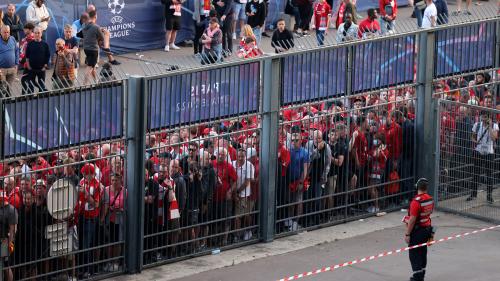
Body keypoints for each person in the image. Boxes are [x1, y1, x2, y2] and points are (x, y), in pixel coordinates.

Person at [404, 178, 434, 281]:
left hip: (418, 231)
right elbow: (429, 214)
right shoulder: (430, 199)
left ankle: (417, 276)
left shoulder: (416, 202)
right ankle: (422, 273)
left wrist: (407, 234)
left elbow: (412, 220)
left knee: (414, 253)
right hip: (427, 229)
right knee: (423, 251)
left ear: (417, 187)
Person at [468, 112, 499, 203]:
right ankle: (473, 194)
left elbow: (494, 138)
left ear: (489, 118)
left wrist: (489, 127)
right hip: (478, 151)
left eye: (486, 117)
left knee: (489, 175)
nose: (484, 119)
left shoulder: (494, 126)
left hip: (489, 153)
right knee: (475, 174)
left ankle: (489, 196)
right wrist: (475, 141)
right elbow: (472, 136)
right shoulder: (477, 125)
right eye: (483, 117)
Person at [78, 10, 104, 84]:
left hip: (86, 49)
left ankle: (96, 81)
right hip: (93, 50)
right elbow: (102, 38)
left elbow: (84, 35)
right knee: (89, 67)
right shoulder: (96, 27)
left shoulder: (85, 27)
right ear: (95, 16)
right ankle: (84, 84)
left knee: (93, 66)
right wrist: (102, 32)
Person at [23, 26, 50, 94]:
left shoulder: (45, 44)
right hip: (31, 70)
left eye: (38, 33)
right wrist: (29, 67)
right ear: (33, 33)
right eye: (35, 33)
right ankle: (30, 100)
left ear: (41, 33)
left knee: (42, 88)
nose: (37, 34)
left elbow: (48, 56)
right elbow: (27, 57)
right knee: (30, 88)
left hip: (41, 70)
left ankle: (41, 100)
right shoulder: (30, 44)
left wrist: (45, 66)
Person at [0, 181, 18, 281]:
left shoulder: (11, 210)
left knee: (5, 265)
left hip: (4, 241)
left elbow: (13, 229)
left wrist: (9, 243)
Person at [0, 25, 19, 97]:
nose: (6, 34)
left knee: (9, 90)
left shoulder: (13, 39)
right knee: (2, 90)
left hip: (12, 69)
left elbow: (17, 51)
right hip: (2, 70)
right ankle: (1, 106)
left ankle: (7, 106)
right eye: (4, 32)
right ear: (1, 32)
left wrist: (16, 65)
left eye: (8, 32)